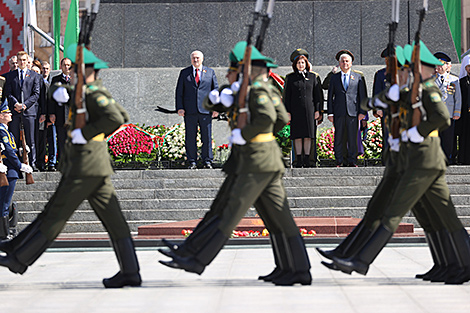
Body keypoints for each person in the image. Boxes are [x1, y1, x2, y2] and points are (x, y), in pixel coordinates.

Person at [160, 42, 311, 286]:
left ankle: (197, 258)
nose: (230, 73)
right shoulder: (243, 89)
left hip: (258, 161)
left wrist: (249, 134)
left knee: (229, 211)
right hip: (254, 160)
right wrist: (218, 97)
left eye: (234, 69)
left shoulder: (259, 90)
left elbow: (272, 118)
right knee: (277, 219)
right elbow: (215, 105)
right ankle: (296, 268)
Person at [0, 44, 141, 288]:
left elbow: (118, 117)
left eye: (76, 70)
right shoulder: (86, 90)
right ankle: (130, 271)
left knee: (56, 214)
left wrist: (85, 133)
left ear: (87, 71)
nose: (72, 74)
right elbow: (59, 88)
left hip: (86, 165)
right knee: (113, 220)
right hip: (90, 166)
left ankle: (19, 258)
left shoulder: (93, 93)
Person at [330, 42, 470, 285]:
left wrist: (417, 132)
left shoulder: (427, 89)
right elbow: (366, 104)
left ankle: (361, 259)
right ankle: (450, 264)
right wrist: (381, 101)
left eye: (405, 69)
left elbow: (442, 117)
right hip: (413, 160)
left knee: (395, 209)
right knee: (435, 218)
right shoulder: (405, 91)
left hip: (425, 159)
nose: (400, 73)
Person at [175, 50, 219, 169]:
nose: (196, 60)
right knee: (190, 137)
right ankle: (192, 161)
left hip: (206, 111)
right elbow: (179, 92)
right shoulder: (184, 73)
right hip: (190, 111)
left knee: (207, 137)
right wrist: (180, 108)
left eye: (198, 58)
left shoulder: (210, 72)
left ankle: (207, 161)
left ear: (202, 59)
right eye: (193, 58)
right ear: (191, 59)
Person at [283, 49, 323, 167]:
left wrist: (318, 110)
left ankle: (307, 159)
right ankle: (298, 159)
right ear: (295, 65)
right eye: (299, 63)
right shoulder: (290, 78)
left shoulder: (313, 77)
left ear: (307, 64)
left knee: (308, 135)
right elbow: (287, 97)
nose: (301, 65)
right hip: (295, 111)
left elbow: (318, 96)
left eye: (303, 63)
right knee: (297, 136)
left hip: (309, 111)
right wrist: (287, 112)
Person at [327, 50, 367, 167]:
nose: (345, 63)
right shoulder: (334, 78)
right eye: (342, 61)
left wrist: (363, 111)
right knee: (339, 137)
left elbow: (362, 96)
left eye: (347, 61)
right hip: (338, 112)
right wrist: (330, 113)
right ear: (339, 63)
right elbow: (330, 96)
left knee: (352, 137)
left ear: (351, 63)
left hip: (353, 112)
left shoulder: (358, 77)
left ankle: (352, 160)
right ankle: (339, 160)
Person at [0, 101, 33, 239]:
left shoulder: (6, 131)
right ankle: (3, 234)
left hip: (11, 170)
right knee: (4, 204)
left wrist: (22, 151)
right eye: (7, 112)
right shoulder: (2, 131)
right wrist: (20, 165)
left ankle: (6, 232)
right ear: (0, 116)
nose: (10, 114)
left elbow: (11, 149)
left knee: (5, 203)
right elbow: (7, 151)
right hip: (9, 171)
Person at [3, 51, 40, 171]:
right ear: (17, 61)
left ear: (27, 61)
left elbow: (36, 94)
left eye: (24, 60)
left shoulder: (34, 75)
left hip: (29, 112)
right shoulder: (10, 76)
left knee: (30, 139)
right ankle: (16, 164)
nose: (22, 62)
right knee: (13, 139)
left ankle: (32, 163)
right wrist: (16, 104)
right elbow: (8, 93)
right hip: (15, 111)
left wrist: (25, 105)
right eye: (20, 60)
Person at [433, 52, 461, 164]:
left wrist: (457, 112)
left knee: (448, 137)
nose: (439, 67)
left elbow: (458, 98)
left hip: (449, 113)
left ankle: (447, 158)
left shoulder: (454, 80)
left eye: (442, 65)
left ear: (446, 66)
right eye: (437, 65)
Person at [47, 58, 72, 171]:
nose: (66, 67)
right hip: (60, 114)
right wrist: (52, 113)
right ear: (61, 66)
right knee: (61, 139)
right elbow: (51, 98)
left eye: (68, 65)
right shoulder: (56, 79)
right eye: (64, 65)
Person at [455, 55, 470, 164]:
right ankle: (464, 159)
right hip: (465, 115)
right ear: (465, 68)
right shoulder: (462, 82)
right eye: (468, 66)